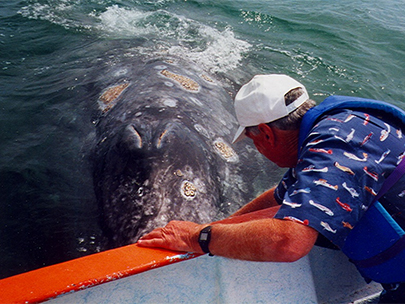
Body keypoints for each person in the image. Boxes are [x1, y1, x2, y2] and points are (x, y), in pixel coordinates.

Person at [138, 74, 405, 303]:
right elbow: (281, 195)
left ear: (266, 133)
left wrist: (197, 238)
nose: (257, 148)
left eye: (253, 139)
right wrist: (223, 225)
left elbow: (288, 243)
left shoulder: (332, 147)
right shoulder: (345, 126)